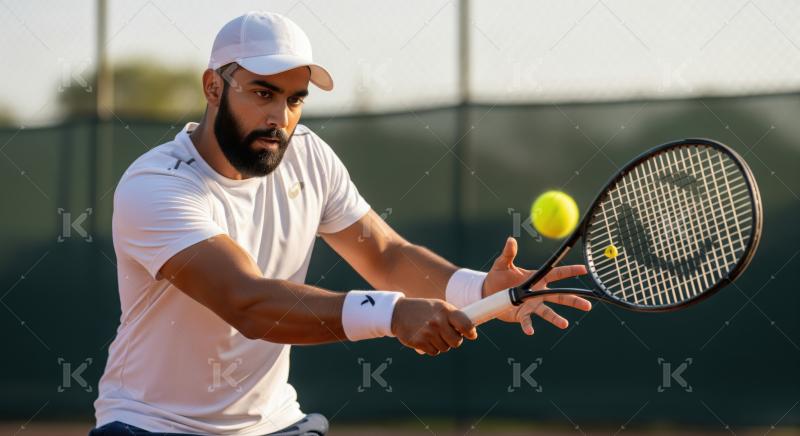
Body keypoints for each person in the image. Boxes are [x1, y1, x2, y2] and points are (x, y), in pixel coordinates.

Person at [90, 11, 592, 436]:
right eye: (262, 93)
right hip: (149, 424)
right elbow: (248, 301)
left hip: (273, 423)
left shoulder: (308, 156)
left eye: (294, 99)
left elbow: (384, 253)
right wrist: (393, 315)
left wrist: (477, 287)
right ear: (213, 87)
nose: (280, 118)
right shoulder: (155, 186)